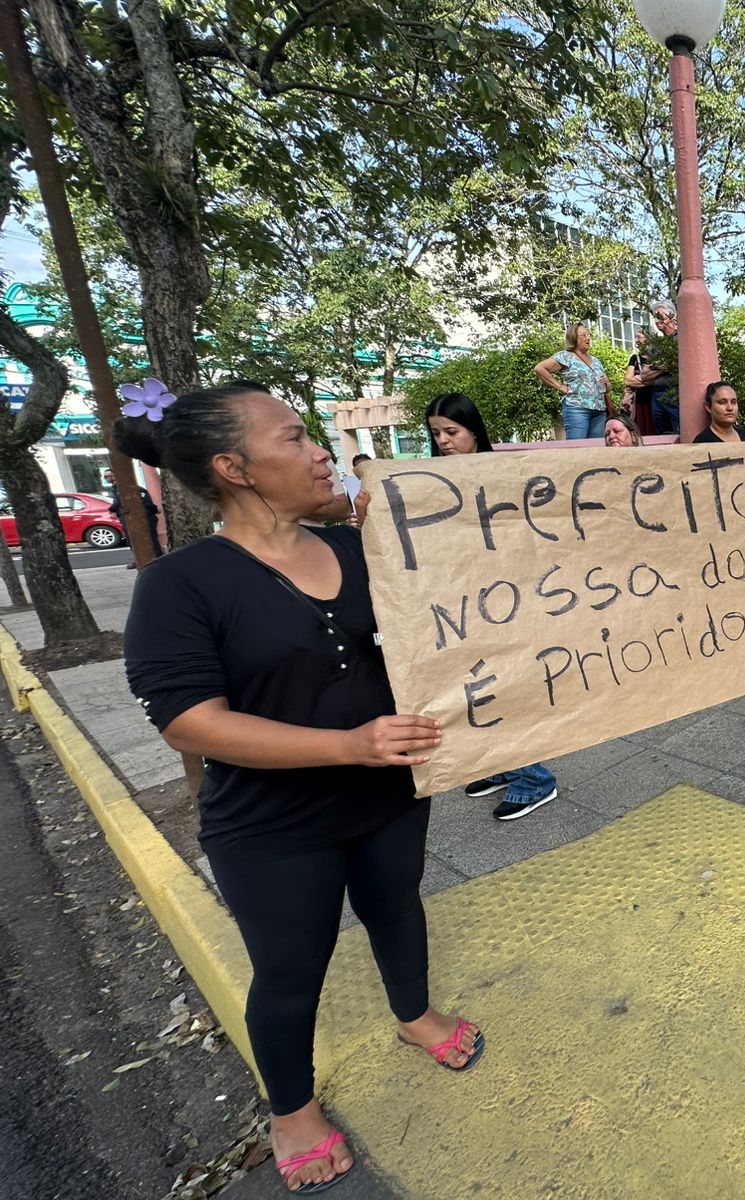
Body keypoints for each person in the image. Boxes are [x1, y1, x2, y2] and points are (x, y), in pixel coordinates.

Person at [117, 381, 482, 1196]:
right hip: (270, 825)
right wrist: (348, 746)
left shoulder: (354, 550)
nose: (321, 453)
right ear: (233, 467)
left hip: (389, 796)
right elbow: (190, 723)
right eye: (294, 438)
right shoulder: (178, 584)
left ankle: (415, 1016)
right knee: (289, 970)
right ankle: (291, 1110)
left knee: (398, 908)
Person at [425, 393, 561, 820]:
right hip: (460, 604)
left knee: (506, 689)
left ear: (473, 431)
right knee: (479, 686)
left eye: (452, 431)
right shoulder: (426, 481)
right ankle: (505, 765)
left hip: (504, 603)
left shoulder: (500, 475)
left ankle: (534, 778)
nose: (443, 441)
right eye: (435, 433)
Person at [535, 321, 613, 441]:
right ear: (574, 338)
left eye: (588, 335)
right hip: (577, 409)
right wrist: (560, 387)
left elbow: (608, 388)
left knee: (596, 448)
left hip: (599, 411)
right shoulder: (566, 356)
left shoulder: (596, 361)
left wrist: (607, 383)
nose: (588, 338)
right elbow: (539, 368)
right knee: (577, 447)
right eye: (583, 335)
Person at [627, 302, 680, 436]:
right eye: (654, 317)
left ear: (672, 315)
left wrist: (656, 367)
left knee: (680, 433)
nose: (656, 321)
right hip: (657, 398)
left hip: (675, 396)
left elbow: (677, 363)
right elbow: (645, 375)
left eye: (659, 316)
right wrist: (664, 366)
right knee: (662, 436)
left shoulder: (681, 338)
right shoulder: (657, 345)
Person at [110, 485, 163, 559]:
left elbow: (147, 503)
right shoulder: (116, 490)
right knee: (143, 539)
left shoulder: (134, 489)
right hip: (132, 518)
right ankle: (147, 558)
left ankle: (155, 557)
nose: (107, 479)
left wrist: (112, 509)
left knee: (149, 538)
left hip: (142, 517)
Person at [623, 329, 649, 434]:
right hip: (639, 402)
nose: (636, 340)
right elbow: (628, 381)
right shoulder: (635, 358)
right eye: (635, 337)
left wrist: (638, 379)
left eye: (639, 337)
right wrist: (649, 381)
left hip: (654, 402)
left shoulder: (657, 358)